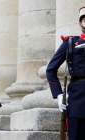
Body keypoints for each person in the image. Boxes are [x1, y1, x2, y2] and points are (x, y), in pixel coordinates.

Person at [46, 7, 85, 140]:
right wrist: (58, 94)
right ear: (80, 24)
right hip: (77, 102)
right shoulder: (70, 43)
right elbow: (50, 69)